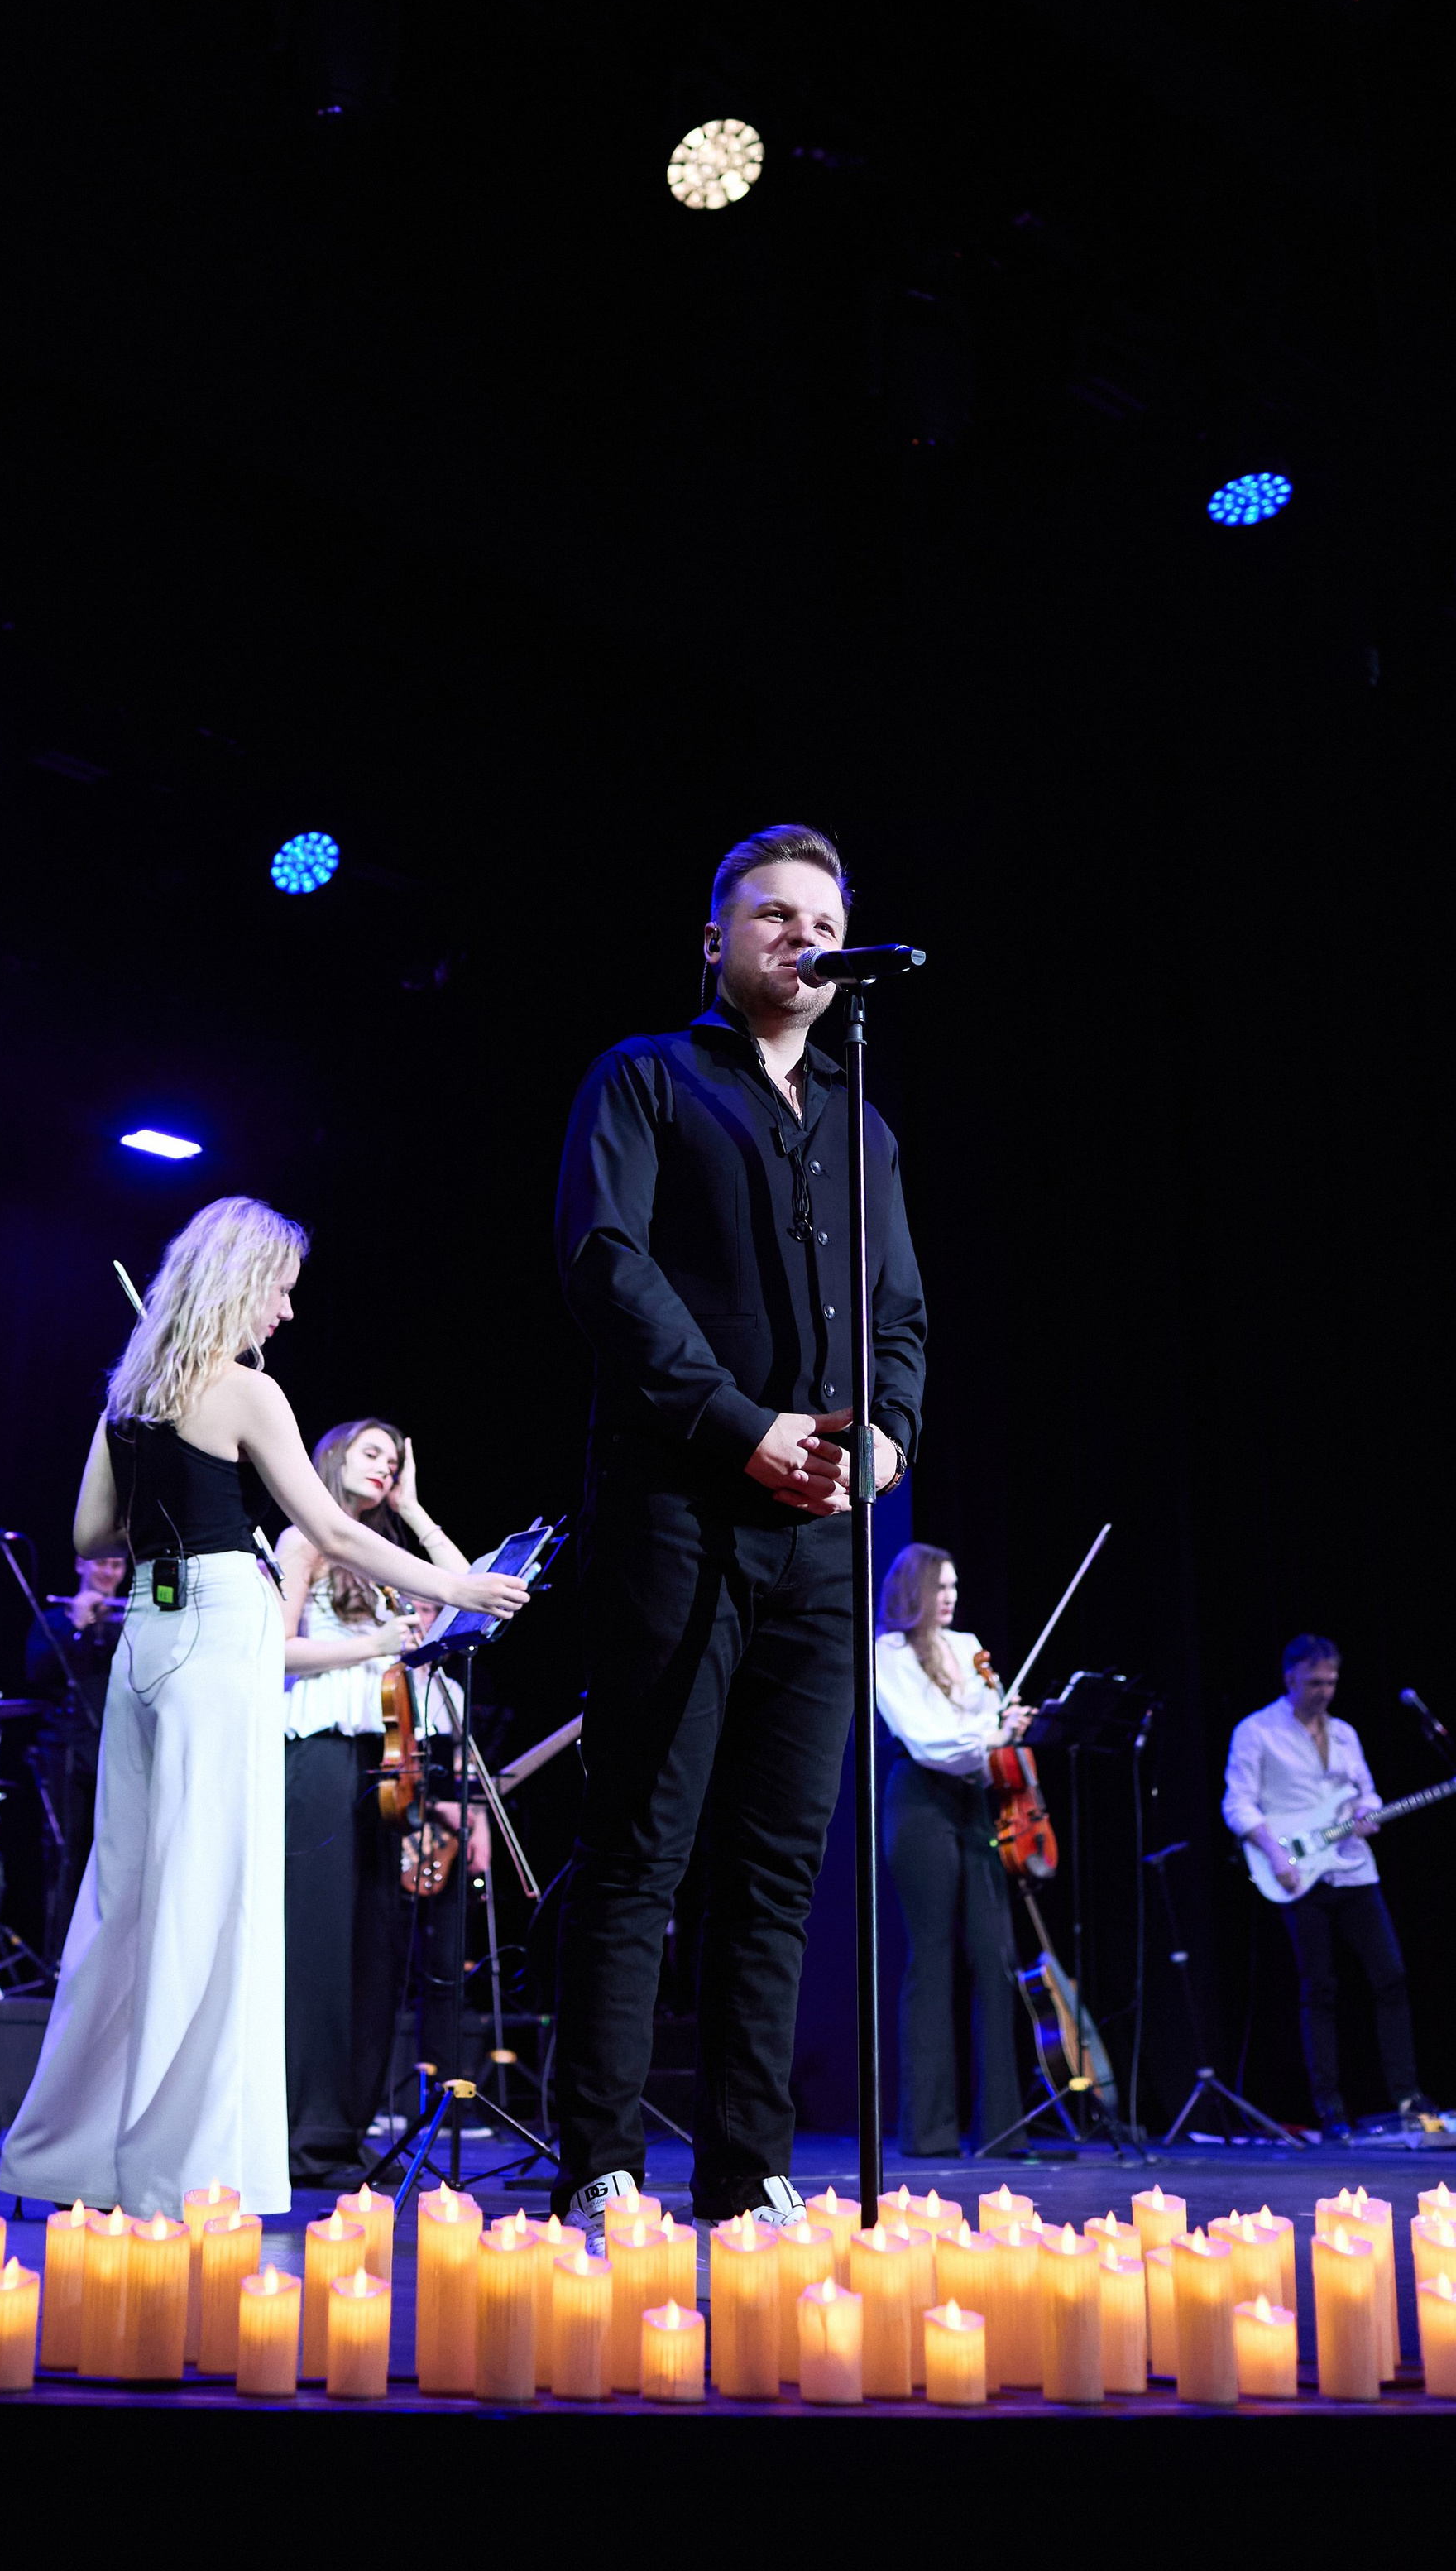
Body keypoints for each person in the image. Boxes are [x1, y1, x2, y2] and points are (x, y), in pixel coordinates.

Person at [0, 1197, 529, 2219]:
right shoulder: (245, 1390)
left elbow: (92, 1538)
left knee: (128, 1899)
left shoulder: (129, 1392)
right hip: (219, 1631)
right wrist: (455, 1588)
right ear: (242, 1279)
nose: (285, 1310)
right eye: (280, 1287)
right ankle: (179, 2170)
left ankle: (75, 2157)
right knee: (214, 1898)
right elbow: (323, 1521)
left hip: (144, 1646)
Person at [549, 822, 927, 2238]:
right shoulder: (647, 1079)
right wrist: (738, 1426)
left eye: (822, 919)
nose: (801, 938)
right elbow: (605, 1264)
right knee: (643, 1841)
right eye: (773, 915)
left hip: (823, 1537)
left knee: (781, 1857)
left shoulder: (861, 1116)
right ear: (715, 940)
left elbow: (901, 1317)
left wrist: (882, 1436)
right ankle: (598, 2159)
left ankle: (746, 2169)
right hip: (677, 1509)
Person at [276, 1420, 486, 2185]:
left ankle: (340, 2134)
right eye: (373, 1453)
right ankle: (302, 2132)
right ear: (333, 1457)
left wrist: (419, 1508)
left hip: (391, 1760)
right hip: (323, 1750)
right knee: (321, 1950)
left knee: (375, 1949)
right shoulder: (304, 1541)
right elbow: (271, 1650)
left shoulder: (385, 1556)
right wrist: (369, 1646)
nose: (386, 1465)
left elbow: (468, 1599)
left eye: (396, 1459)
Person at [1222, 1632, 1423, 2136]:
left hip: (1353, 1866)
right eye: (1314, 1682)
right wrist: (1275, 1854)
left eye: (1331, 1681)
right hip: (1297, 1870)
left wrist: (1366, 1811)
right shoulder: (1256, 1731)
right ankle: (1329, 2106)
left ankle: (1405, 2096)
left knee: (1391, 1976)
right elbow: (1238, 1803)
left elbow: (1366, 1791)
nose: (1324, 1691)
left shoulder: (1346, 1734)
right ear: (1290, 1678)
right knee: (1321, 1989)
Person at [874, 1542, 1032, 2156]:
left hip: (974, 1801)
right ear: (913, 1591)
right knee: (932, 1957)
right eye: (940, 1587)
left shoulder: (968, 1648)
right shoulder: (887, 1652)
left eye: (955, 1587)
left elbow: (984, 1744)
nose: (950, 1597)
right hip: (919, 1801)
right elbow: (928, 1740)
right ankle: (930, 2130)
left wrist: (1006, 1728)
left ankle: (1003, 2128)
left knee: (996, 1958)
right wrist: (991, 1734)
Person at [24, 1552, 127, 1959]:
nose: (108, 1572)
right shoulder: (55, 1619)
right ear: (81, 1565)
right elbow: (39, 1672)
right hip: (67, 1749)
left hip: (117, 1748)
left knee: (117, 1852)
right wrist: (76, 1626)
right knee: (67, 1854)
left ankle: (109, 1957)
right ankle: (59, 1961)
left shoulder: (130, 1617)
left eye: (117, 1565)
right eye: (100, 1563)